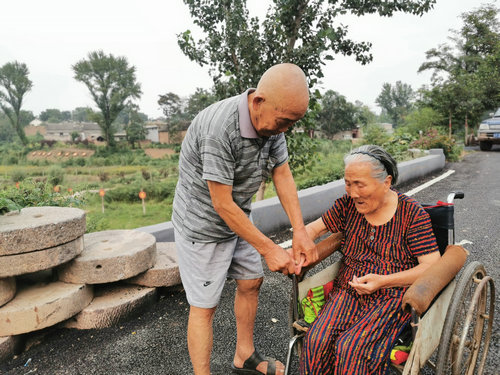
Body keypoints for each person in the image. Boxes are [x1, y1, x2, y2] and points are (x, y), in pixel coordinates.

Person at [172, 63, 318, 375]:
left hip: (239, 219)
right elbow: (221, 204)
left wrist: (300, 231)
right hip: (203, 226)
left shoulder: (273, 124)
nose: (285, 130)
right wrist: (269, 249)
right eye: (283, 122)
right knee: (204, 306)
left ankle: (245, 355)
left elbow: (282, 173)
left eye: (291, 124)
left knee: (251, 281)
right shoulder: (219, 128)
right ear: (258, 102)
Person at [300, 145, 441, 375]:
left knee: (352, 347)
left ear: (386, 183)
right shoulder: (347, 206)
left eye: (360, 185)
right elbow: (313, 230)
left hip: (392, 295)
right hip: (348, 289)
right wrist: (295, 249)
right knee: (317, 339)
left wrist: (382, 281)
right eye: (348, 183)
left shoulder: (411, 214)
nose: (353, 193)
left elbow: (431, 265)